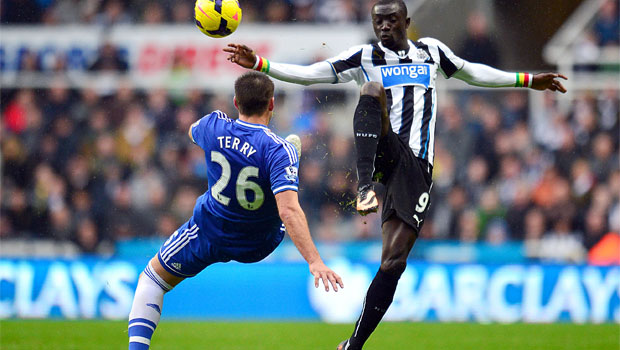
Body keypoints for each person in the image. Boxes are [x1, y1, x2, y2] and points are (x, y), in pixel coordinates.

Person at [224, 1, 568, 349]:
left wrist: (526, 79)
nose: (384, 27)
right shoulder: (365, 56)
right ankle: (364, 188)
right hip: (385, 151)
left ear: (406, 21)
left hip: (417, 167)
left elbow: (472, 71)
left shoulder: (431, 51)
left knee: (393, 261)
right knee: (371, 91)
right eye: (378, 22)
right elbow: (313, 73)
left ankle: (354, 344)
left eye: (391, 20)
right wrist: (260, 65)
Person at [127, 71, 344, 350]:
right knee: (278, 188)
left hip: (208, 232)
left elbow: (192, 131)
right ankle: (281, 176)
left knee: (152, 279)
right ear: (272, 104)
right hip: (258, 242)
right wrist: (314, 261)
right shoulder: (276, 148)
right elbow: (289, 211)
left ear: (235, 102)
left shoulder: (213, 125)